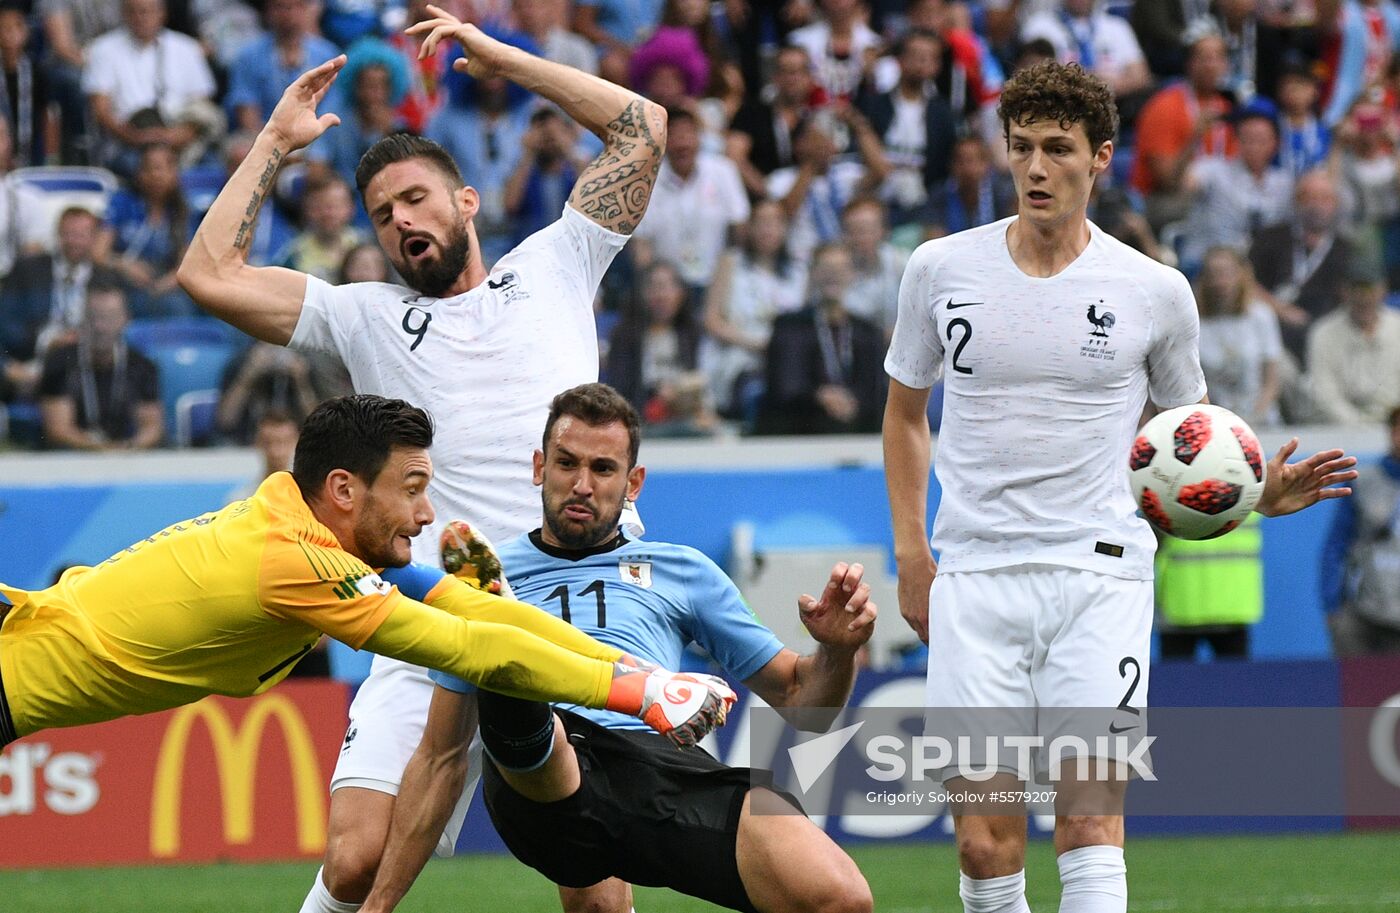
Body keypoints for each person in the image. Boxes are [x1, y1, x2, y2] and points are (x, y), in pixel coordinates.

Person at [174, 8, 670, 910]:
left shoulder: (558, 261)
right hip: (427, 612)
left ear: (464, 201)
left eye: (415, 199)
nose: (402, 221)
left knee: (595, 893)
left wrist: (500, 59)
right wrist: (273, 146)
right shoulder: (361, 313)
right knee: (356, 860)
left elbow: (642, 126)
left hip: (570, 604)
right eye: (382, 213)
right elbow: (209, 276)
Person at [882, 61, 1357, 913]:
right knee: (984, 840)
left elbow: (1193, 440)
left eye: (1056, 149)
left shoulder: (1154, 290)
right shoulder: (939, 268)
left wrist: (1255, 493)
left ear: (1100, 157)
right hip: (974, 576)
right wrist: (913, 552)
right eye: (1020, 146)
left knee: (1090, 823)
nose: (1034, 168)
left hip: (1100, 574)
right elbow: (905, 416)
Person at [357, 382, 875, 913]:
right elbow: (441, 756)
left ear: (634, 483)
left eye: (602, 469)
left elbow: (804, 703)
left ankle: (515, 652)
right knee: (511, 670)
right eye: (566, 464)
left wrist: (836, 651)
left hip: (655, 771)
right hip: (543, 769)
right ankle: (510, 644)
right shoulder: (481, 570)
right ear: (540, 468)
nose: (581, 484)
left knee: (840, 898)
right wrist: (378, 906)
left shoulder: (683, 571)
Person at [0, 393, 732, 750]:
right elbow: (468, 650)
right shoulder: (299, 560)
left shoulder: (294, 518)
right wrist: (638, 693)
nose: (425, 514)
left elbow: (478, 612)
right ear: (346, 489)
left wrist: (636, 669)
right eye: (412, 488)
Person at [760, 241, 886, 435]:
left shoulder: (867, 332)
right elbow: (784, 386)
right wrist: (819, 397)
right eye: (826, 268)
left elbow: (877, 390)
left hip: (859, 430)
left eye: (840, 269)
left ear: (853, 274)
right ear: (813, 273)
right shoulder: (790, 327)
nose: (833, 275)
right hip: (802, 430)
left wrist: (853, 402)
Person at [37, 279, 163, 451]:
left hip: (124, 454)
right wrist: (102, 448)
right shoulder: (59, 361)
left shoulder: (142, 365)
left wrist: (129, 447)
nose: (100, 327)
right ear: (82, 319)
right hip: (71, 456)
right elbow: (58, 429)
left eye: (110, 317)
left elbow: (152, 427)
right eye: (93, 317)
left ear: (125, 320)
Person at [1321, 405, 1400, 655]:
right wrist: (1333, 607)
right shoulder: (1363, 482)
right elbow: (1336, 545)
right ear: (1390, 433)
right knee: (1360, 692)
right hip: (1363, 616)